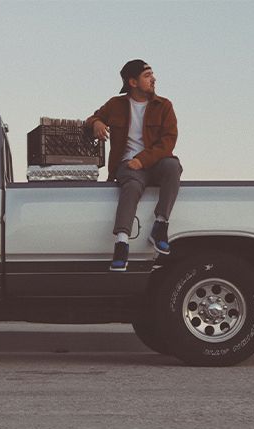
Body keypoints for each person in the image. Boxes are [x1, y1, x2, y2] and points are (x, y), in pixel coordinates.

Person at [86, 59, 182, 271]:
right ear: (133, 82)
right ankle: (121, 242)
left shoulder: (164, 105)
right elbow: (92, 118)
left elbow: (169, 141)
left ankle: (161, 225)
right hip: (127, 164)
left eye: (152, 74)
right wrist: (97, 123)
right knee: (131, 187)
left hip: (155, 162)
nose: (153, 79)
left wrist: (143, 160)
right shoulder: (116, 104)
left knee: (173, 166)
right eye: (147, 76)